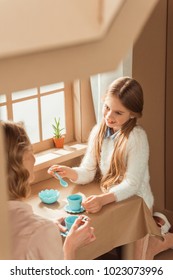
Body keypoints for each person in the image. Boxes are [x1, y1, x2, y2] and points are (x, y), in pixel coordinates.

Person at [48, 76, 173, 259]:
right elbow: (88, 172)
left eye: (118, 113)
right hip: (112, 201)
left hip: (135, 204)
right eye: (107, 107)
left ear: (132, 114)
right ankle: (158, 227)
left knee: (138, 262)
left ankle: (164, 237)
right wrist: (70, 173)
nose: (109, 116)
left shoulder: (136, 138)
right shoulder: (98, 131)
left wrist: (102, 200)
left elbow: (132, 184)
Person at [1, 120, 95, 260]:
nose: (33, 158)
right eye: (30, 150)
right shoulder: (40, 232)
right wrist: (70, 246)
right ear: (17, 163)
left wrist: (45, 227)